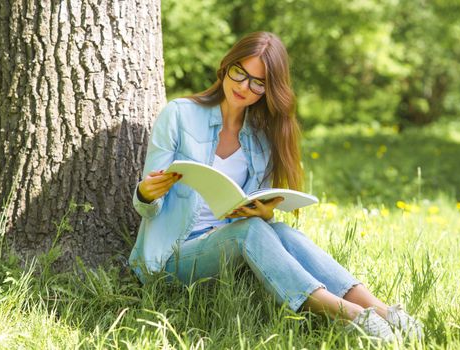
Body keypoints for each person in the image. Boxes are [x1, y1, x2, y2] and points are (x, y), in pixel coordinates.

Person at [129, 31, 422, 343]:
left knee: (284, 232)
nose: (244, 87)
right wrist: (146, 193)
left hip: (228, 248)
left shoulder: (260, 137)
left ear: (268, 90)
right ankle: (349, 315)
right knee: (250, 232)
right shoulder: (179, 115)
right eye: (240, 73)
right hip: (170, 258)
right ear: (226, 67)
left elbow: (249, 205)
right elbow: (148, 206)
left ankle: (382, 311)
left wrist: (264, 213)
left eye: (258, 82)